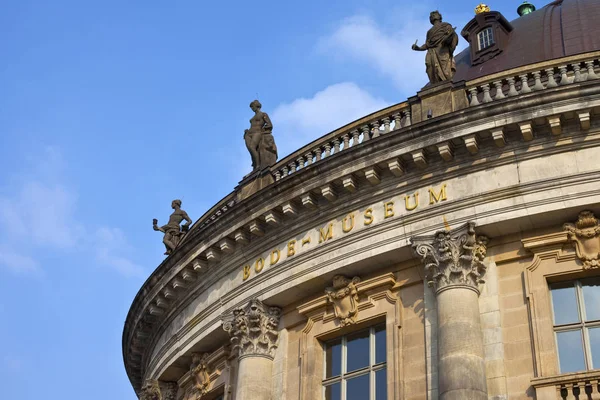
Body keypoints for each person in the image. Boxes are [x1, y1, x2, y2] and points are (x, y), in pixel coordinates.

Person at [411, 11, 459, 84]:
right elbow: (427, 44)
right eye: (431, 16)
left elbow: (453, 36)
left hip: (442, 50)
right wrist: (418, 48)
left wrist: (449, 39)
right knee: (430, 66)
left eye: (435, 14)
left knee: (445, 70)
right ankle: (435, 84)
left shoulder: (446, 25)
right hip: (431, 51)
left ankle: (446, 83)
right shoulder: (429, 32)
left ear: (440, 17)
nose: (433, 16)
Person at [244, 100, 277, 171]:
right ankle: (255, 164)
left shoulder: (263, 114)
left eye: (253, 106)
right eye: (251, 107)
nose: (252, 108)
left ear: (257, 106)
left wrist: (264, 130)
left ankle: (258, 166)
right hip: (249, 134)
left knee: (252, 147)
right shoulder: (253, 117)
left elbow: (269, 125)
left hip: (257, 132)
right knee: (251, 150)